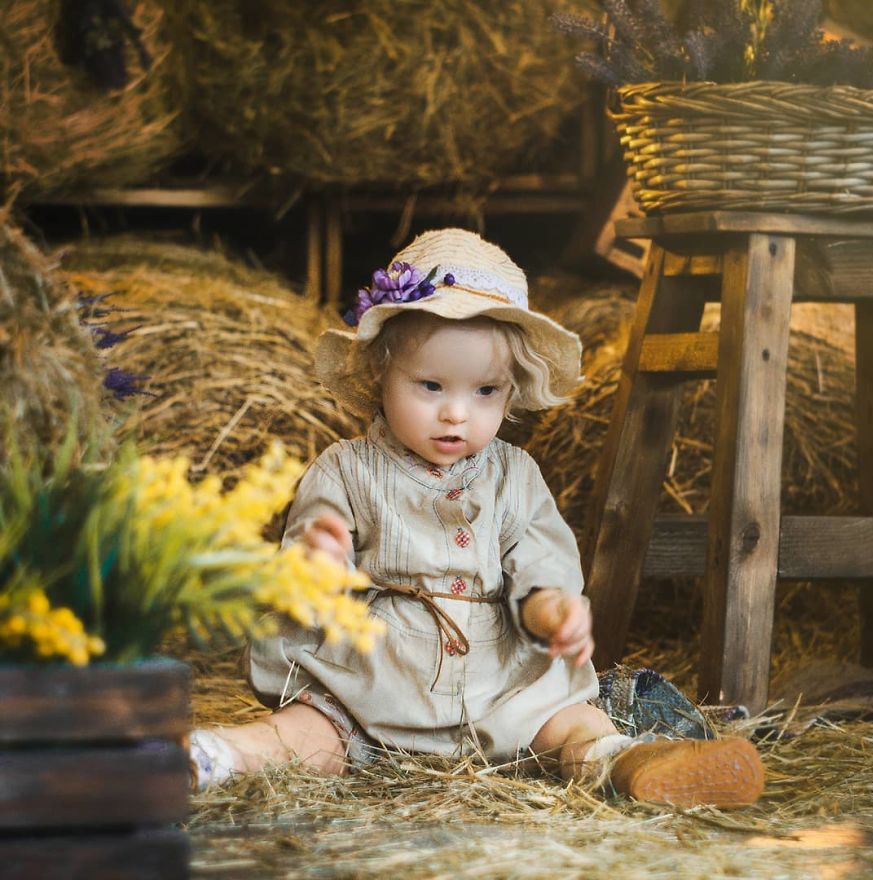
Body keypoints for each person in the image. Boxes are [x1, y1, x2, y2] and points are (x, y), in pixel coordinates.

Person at [190, 228, 764, 808]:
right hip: (370, 681)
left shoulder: (515, 477)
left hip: (500, 685)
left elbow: (541, 569)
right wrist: (321, 565)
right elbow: (307, 577)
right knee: (309, 734)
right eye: (430, 385)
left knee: (569, 721)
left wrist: (553, 611)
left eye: (485, 391)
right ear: (379, 376)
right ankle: (212, 756)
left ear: (511, 393)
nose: (455, 413)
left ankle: (628, 762)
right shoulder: (346, 470)